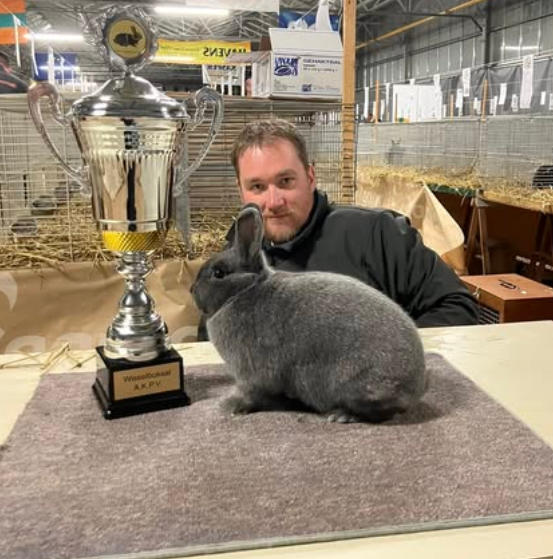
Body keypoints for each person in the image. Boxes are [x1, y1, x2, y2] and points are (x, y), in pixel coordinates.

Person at [197, 119, 478, 339]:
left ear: (310, 177)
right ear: (241, 191)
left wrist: (382, 356)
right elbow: (210, 343)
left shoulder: (377, 234)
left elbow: (456, 307)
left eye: (285, 181)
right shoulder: (233, 263)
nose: (273, 202)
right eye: (257, 187)